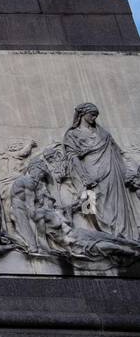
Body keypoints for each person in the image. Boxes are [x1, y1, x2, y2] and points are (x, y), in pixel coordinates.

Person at [63, 102, 139, 239]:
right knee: (89, 200)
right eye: (92, 115)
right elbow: (72, 157)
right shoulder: (72, 134)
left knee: (116, 202)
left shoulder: (103, 133)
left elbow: (118, 151)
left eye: (96, 115)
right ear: (82, 114)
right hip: (90, 170)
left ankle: (122, 233)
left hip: (111, 170)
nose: (94, 118)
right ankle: (95, 229)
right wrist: (83, 176)